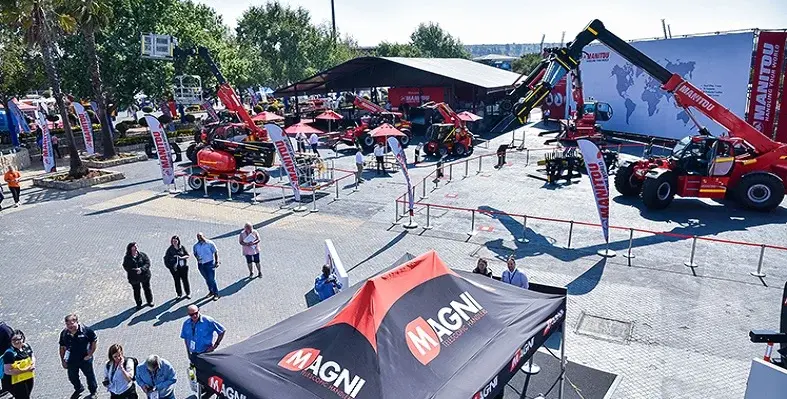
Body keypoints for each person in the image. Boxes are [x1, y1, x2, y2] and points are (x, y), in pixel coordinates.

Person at [59, 314, 98, 398]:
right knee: (72, 377)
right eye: (67, 324)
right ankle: (79, 388)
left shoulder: (86, 330)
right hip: (71, 360)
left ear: (77, 322)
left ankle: (93, 391)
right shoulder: (64, 333)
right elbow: (62, 348)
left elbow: (94, 341)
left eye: (72, 323)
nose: (70, 326)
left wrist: (90, 354)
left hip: (85, 358)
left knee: (89, 376)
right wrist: (63, 360)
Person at [2, 330, 35, 399]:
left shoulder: (26, 346)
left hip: (27, 377)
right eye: (14, 340)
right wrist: (26, 370)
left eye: (18, 339)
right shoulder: (9, 353)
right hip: (15, 381)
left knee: (26, 396)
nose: (16, 341)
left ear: (23, 338)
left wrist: (33, 364)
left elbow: (32, 356)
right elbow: (8, 371)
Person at [123, 242, 154, 309]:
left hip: (144, 275)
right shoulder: (127, 258)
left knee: (147, 288)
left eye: (136, 246)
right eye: (134, 247)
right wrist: (135, 270)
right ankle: (139, 304)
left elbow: (147, 263)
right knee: (136, 290)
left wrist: (141, 269)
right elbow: (126, 267)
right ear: (130, 248)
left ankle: (150, 301)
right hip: (134, 277)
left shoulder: (142, 255)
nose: (136, 248)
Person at [193, 233, 220, 300]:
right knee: (207, 279)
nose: (199, 238)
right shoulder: (196, 246)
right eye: (198, 237)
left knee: (211, 279)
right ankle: (211, 291)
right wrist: (197, 258)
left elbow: (215, 252)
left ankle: (216, 293)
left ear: (204, 236)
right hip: (201, 264)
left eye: (200, 236)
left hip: (209, 263)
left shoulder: (210, 243)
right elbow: (195, 254)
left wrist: (217, 261)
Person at [164, 236, 191, 300]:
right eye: (173, 241)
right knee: (177, 281)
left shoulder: (182, 247)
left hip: (183, 267)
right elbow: (166, 260)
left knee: (185, 280)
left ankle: (188, 293)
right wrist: (171, 267)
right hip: (175, 269)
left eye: (176, 241)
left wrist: (181, 258)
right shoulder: (170, 250)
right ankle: (179, 294)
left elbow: (187, 255)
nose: (174, 242)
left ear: (178, 241)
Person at [0, 321, 14, 394]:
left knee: (5, 373)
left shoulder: (4, 330)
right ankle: (6, 388)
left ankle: (8, 388)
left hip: (5, 355)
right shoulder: (4, 328)